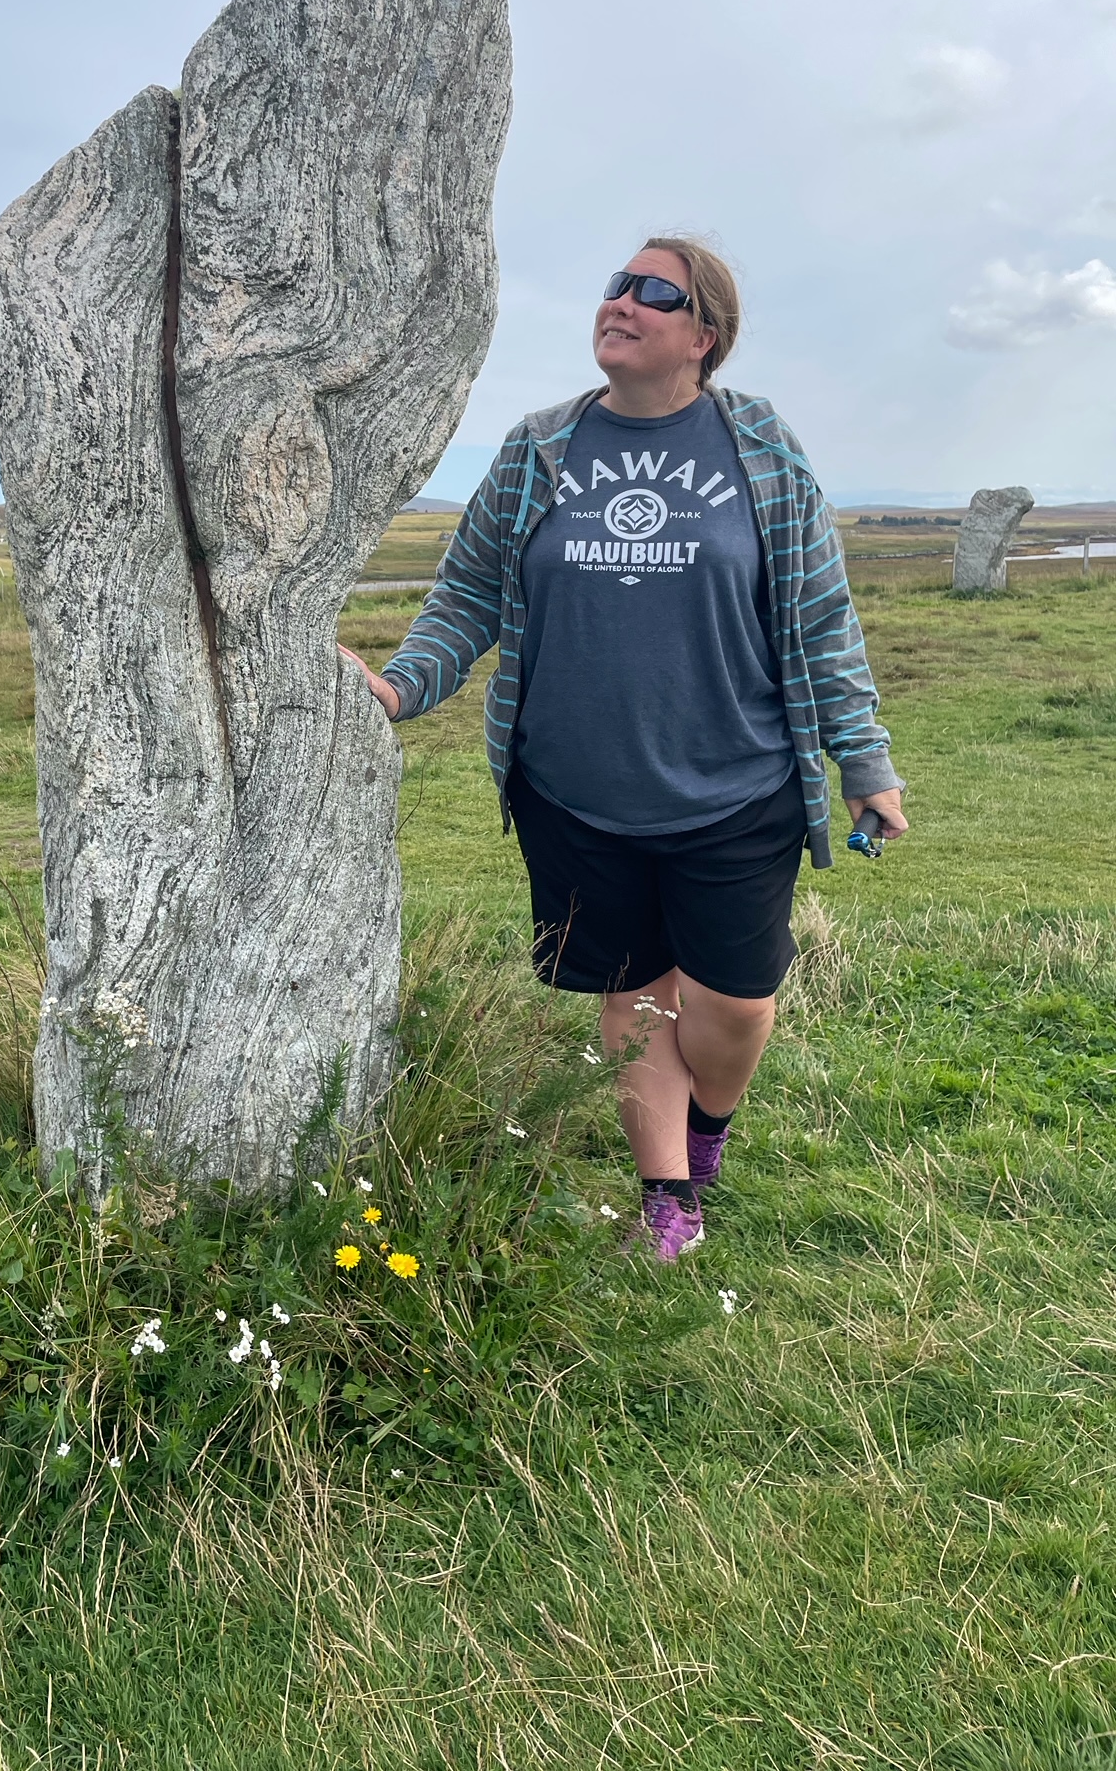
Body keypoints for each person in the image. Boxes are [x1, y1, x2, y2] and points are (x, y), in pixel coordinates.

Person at [341, 236, 907, 1261]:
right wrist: (395, 688)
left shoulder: (762, 448)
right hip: (576, 795)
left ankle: (709, 1125)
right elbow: (467, 595)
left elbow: (822, 618)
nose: (624, 302)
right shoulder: (538, 449)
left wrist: (864, 765)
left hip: (737, 790)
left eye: (656, 293)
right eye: (616, 285)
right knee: (632, 1000)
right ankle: (667, 1197)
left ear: (706, 336)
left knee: (735, 1005)